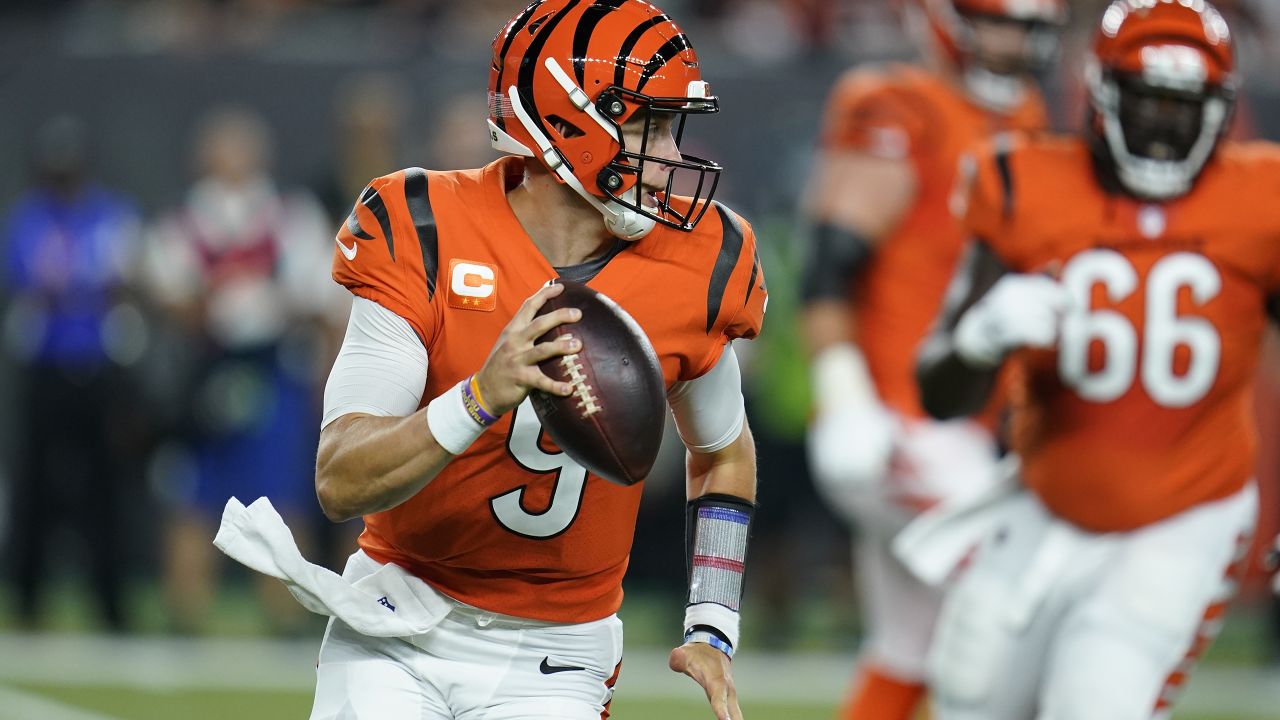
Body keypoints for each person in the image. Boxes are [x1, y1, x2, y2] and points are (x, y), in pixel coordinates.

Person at [295, 1, 766, 718]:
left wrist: (713, 622)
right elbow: (340, 478)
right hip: (397, 612)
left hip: (557, 650)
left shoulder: (700, 259)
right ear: (568, 125)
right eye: (648, 126)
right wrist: (480, 396)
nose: (670, 156)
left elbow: (724, 453)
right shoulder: (423, 228)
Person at [915, 1, 1268, 717]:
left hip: (1183, 515)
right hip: (1047, 500)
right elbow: (939, 393)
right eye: (1146, 103)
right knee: (968, 698)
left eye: (1183, 108)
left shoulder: (1261, 199)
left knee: (1095, 701)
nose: (1164, 128)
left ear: (1220, 111)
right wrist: (981, 337)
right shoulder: (1021, 183)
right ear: (1102, 93)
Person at [799, 0, 1064, 716]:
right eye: (1005, 22)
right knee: (1021, 609)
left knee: (909, 645)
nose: (1018, 43)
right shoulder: (901, 106)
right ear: (955, 22)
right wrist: (846, 397)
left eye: (1032, 28)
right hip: (897, 421)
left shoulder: (1028, 116)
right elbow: (827, 264)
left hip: (965, 419)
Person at [143, 106, 340, 634]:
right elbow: (168, 296)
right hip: (208, 368)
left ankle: (285, 614)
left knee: (281, 492)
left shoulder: (290, 215)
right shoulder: (185, 221)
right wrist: (216, 299)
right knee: (195, 494)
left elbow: (319, 300)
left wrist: (274, 307)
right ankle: (185, 610)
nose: (233, 159)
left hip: (273, 367)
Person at [2, 115, 143, 632]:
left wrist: (78, 285)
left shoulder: (109, 214)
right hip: (46, 369)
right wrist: (85, 283)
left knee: (106, 490)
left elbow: (123, 280)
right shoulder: (30, 219)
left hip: (99, 369)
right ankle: (28, 601)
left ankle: (111, 604)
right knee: (36, 488)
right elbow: (34, 282)